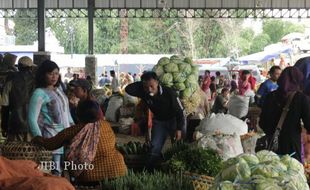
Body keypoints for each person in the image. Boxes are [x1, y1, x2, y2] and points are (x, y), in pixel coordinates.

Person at [32, 100, 127, 183]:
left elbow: (50, 144)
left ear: (78, 115)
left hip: (91, 176)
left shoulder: (73, 130)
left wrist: (38, 138)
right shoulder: (106, 125)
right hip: (118, 169)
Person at [125, 71, 185, 168]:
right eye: (146, 87)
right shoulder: (144, 92)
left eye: (152, 86)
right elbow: (128, 89)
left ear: (157, 82)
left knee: (177, 146)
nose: (149, 89)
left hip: (174, 120)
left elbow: (180, 112)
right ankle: (150, 170)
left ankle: (177, 170)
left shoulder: (169, 93)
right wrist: (143, 84)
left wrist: (179, 129)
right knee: (155, 147)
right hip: (159, 122)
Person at [28, 60, 74, 176]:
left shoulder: (58, 90)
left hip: (65, 137)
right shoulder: (39, 93)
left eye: (56, 73)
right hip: (50, 138)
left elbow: (66, 112)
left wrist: (73, 128)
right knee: (54, 171)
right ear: (43, 75)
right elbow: (31, 118)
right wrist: (39, 138)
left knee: (64, 170)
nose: (54, 77)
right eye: (50, 73)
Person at [259, 67, 310, 162]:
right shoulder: (301, 99)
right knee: (292, 173)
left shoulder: (270, 96)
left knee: (270, 174)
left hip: (271, 146)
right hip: (291, 147)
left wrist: (272, 132)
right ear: (298, 80)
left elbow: (262, 123)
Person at [0, 56, 36, 141]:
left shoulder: (10, 81)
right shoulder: (37, 82)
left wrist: (4, 127)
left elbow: (5, 106)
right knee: (30, 152)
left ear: (18, 67)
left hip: (14, 124)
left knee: (15, 152)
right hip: (33, 125)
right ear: (31, 68)